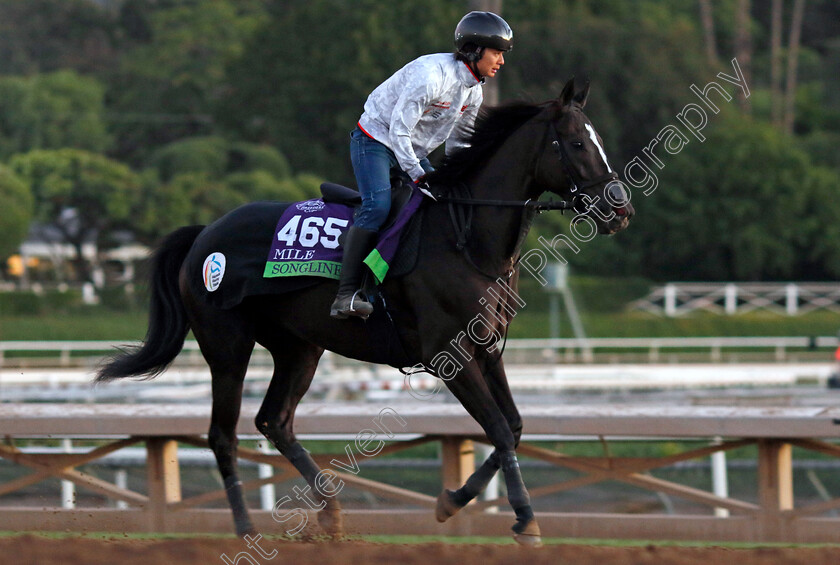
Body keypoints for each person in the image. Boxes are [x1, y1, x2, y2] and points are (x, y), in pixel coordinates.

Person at [330, 11, 514, 319]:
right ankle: (345, 295)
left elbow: (457, 145)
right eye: (497, 52)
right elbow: (398, 132)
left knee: (444, 203)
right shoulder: (431, 77)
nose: (501, 61)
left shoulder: (475, 91)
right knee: (377, 207)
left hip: (412, 150)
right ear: (475, 49)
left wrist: (461, 178)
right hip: (375, 141)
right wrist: (418, 175)